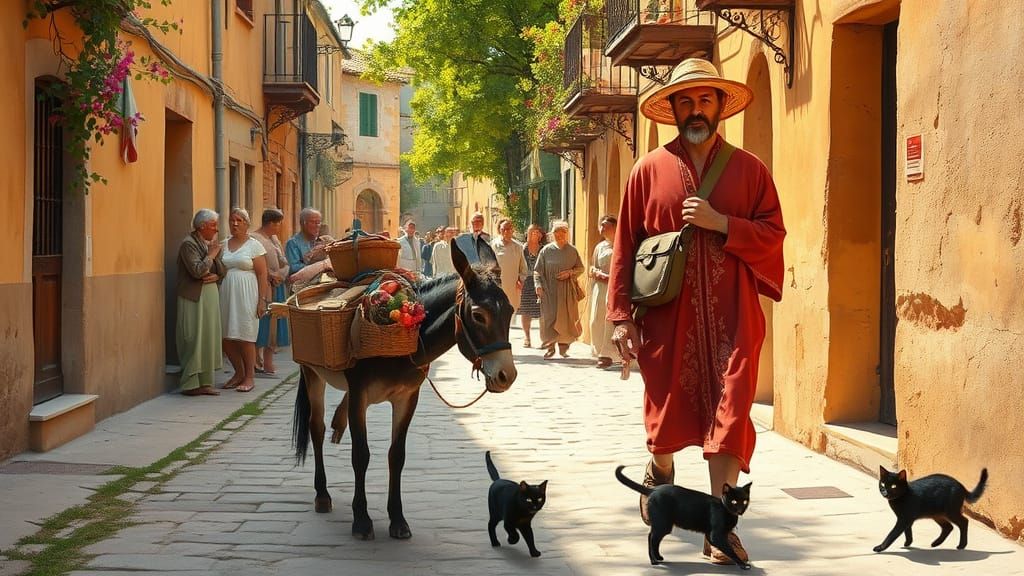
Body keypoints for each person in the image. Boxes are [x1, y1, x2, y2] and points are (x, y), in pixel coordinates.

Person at [605, 58, 785, 564]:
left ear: (720, 106)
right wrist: (620, 318)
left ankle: (719, 531)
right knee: (665, 418)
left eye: (705, 99)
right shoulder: (648, 171)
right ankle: (660, 471)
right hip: (667, 322)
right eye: (686, 101)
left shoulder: (751, 171)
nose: (696, 109)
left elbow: (774, 237)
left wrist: (723, 223)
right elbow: (626, 246)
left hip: (735, 318)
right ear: (674, 110)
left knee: (730, 415)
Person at [175, 209, 225, 397]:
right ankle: (190, 383)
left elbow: (222, 271)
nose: (216, 230)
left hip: (208, 297)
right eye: (213, 225)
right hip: (193, 298)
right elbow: (197, 271)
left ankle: (204, 382)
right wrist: (211, 255)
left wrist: (215, 268)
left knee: (207, 338)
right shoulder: (188, 245)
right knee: (194, 337)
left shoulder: (207, 244)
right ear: (202, 226)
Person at [220, 208, 270, 393]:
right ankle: (238, 372)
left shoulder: (254, 245)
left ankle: (250, 376)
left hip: (247, 293)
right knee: (226, 337)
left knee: (246, 335)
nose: (235, 223)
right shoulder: (223, 244)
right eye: (232, 220)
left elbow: (262, 273)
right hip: (226, 294)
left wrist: (262, 301)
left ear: (247, 224)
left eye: (239, 220)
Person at [533, 220, 584, 359]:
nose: (560, 235)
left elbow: (581, 268)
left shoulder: (572, 251)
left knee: (566, 319)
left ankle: (563, 348)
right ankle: (550, 347)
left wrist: (570, 273)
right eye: (556, 232)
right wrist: (537, 285)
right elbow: (537, 271)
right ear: (552, 234)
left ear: (567, 234)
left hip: (567, 291)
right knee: (549, 318)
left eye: (563, 232)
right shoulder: (546, 250)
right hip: (548, 290)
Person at [251, 208, 290, 375]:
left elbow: (282, 260)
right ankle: (255, 360)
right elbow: (256, 261)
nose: (279, 227)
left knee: (275, 324)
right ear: (271, 223)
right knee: (263, 323)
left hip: (277, 284)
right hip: (265, 285)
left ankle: (268, 361)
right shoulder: (255, 238)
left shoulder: (274, 238)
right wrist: (270, 274)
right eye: (278, 224)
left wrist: (281, 273)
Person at [588, 215, 620, 369]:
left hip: (615, 287)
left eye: (606, 225)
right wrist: (595, 272)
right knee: (596, 319)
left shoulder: (622, 244)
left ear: (615, 227)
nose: (602, 228)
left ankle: (607, 354)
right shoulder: (600, 247)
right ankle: (599, 350)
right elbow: (592, 265)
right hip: (600, 287)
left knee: (610, 320)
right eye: (601, 225)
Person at [490, 219, 529, 315]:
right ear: (500, 230)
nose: (506, 231)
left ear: (512, 230)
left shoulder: (518, 247)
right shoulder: (493, 245)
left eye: (509, 229)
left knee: (510, 312)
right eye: (504, 229)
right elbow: (488, 265)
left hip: (512, 286)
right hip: (497, 285)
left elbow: (523, 268)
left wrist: (521, 280)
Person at [285, 207, 332, 287]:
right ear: (303, 223)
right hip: (301, 287)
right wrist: (319, 265)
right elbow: (294, 268)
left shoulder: (322, 241)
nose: (317, 226)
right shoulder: (293, 243)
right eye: (313, 222)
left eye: (319, 222)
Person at [518, 224, 545, 348]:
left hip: (540, 281)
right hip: (526, 281)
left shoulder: (544, 249)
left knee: (543, 310)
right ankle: (527, 337)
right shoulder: (522, 249)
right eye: (530, 233)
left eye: (535, 232)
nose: (533, 235)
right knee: (525, 310)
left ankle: (543, 338)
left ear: (540, 235)